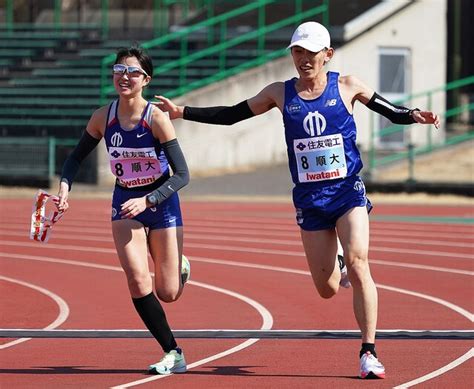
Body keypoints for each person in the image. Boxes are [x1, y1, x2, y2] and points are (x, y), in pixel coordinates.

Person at [154, 21, 440, 379]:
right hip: (310, 199)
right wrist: (185, 112)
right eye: (298, 52)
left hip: (346, 192)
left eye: (311, 52)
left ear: (328, 55)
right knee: (326, 288)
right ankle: (338, 262)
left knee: (359, 262)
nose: (304, 59)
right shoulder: (279, 92)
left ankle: (368, 351)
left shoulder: (347, 85)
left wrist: (414, 116)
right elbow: (233, 114)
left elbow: (388, 109)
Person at [56, 46, 191, 375]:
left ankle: (180, 265)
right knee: (136, 279)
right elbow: (76, 158)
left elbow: (183, 174)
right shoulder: (104, 116)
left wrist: (149, 200)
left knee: (168, 292)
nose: (124, 77)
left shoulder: (156, 119)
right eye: (118, 70)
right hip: (124, 202)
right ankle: (173, 351)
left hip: (160, 202)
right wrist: (64, 187)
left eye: (131, 72)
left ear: (145, 79)